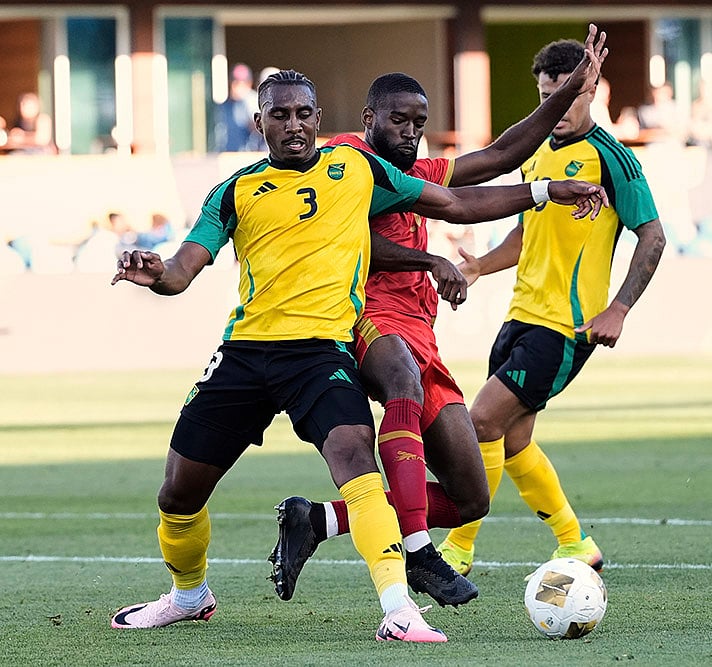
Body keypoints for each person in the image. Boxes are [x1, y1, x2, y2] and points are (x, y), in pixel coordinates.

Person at [107, 69, 606, 642]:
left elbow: (456, 199)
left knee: (381, 472)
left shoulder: (357, 170)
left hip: (321, 353)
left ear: (318, 118)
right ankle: (188, 595)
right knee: (177, 493)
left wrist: (546, 188)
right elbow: (183, 268)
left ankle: (397, 606)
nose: (293, 125)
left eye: (302, 114)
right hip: (251, 352)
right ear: (259, 121)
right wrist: (158, 274)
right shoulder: (236, 190)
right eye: (280, 114)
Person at [267, 25, 607, 609]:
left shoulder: (415, 173)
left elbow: (497, 160)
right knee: (398, 375)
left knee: (472, 496)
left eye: (420, 123)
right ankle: (419, 551)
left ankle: (319, 521)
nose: (412, 133)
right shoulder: (344, 161)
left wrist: (553, 162)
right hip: (367, 317)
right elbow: (344, 241)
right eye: (400, 121)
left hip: (421, 329)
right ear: (370, 118)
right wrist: (429, 258)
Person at [437, 38, 666, 576]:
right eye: (545, 98)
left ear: (591, 89)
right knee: (513, 442)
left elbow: (652, 237)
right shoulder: (536, 153)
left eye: (564, 96)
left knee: (481, 420)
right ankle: (575, 542)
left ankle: (458, 550)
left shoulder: (615, 160)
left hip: (566, 327)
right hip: (519, 315)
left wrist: (619, 309)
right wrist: (478, 266)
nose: (554, 110)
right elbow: (527, 230)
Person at [214, 63, 257, 152]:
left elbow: (258, 128)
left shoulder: (253, 101)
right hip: (227, 155)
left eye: (242, 83)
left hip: (248, 155)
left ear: (249, 83)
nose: (237, 87)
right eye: (234, 82)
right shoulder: (224, 106)